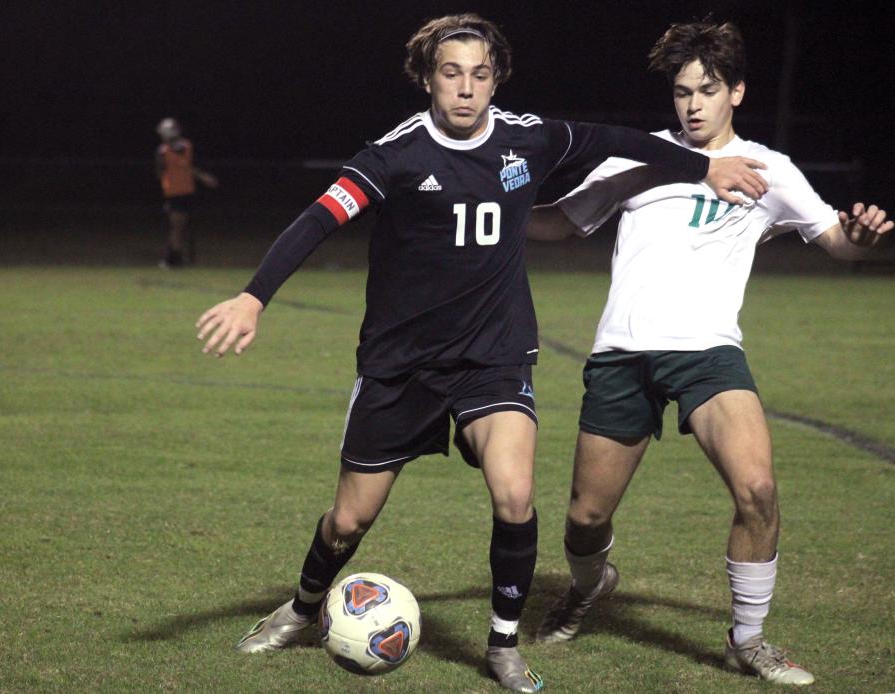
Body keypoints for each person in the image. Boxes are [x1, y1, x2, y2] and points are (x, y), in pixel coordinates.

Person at [195, 14, 766, 692]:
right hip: (401, 365)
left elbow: (616, 139)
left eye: (480, 74)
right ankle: (303, 606)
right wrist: (255, 296)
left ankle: (501, 646)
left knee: (515, 493)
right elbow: (320, 216)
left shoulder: (530, 138)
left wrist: (707, 164)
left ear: (496, 80)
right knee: (348, 521)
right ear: (428, 78)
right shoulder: (394, 155)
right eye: (451, 73)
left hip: (493, 357)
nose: (465, 89)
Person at [526, 20, 891, 687]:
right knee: (585, 517)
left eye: (708, 89)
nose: (692, 104)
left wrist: (862, 239)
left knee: (757, 488)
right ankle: (587, 585)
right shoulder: (637, 157)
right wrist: (485, 201)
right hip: (623, 354)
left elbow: (836, 240)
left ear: (737, 93)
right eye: (682, 90)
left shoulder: (769, 170)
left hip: (709, 356)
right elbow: (557, 221)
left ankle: (747, 640)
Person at [155, 117, 218, 268]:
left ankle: (171, 257)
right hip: (173, 192)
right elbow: (160, 172)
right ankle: (174, 258)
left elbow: (189, 167)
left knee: (179, 226)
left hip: (186, 190)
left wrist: (202, 177)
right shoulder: (163, 151)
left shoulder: (185, 146)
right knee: (177, 226)